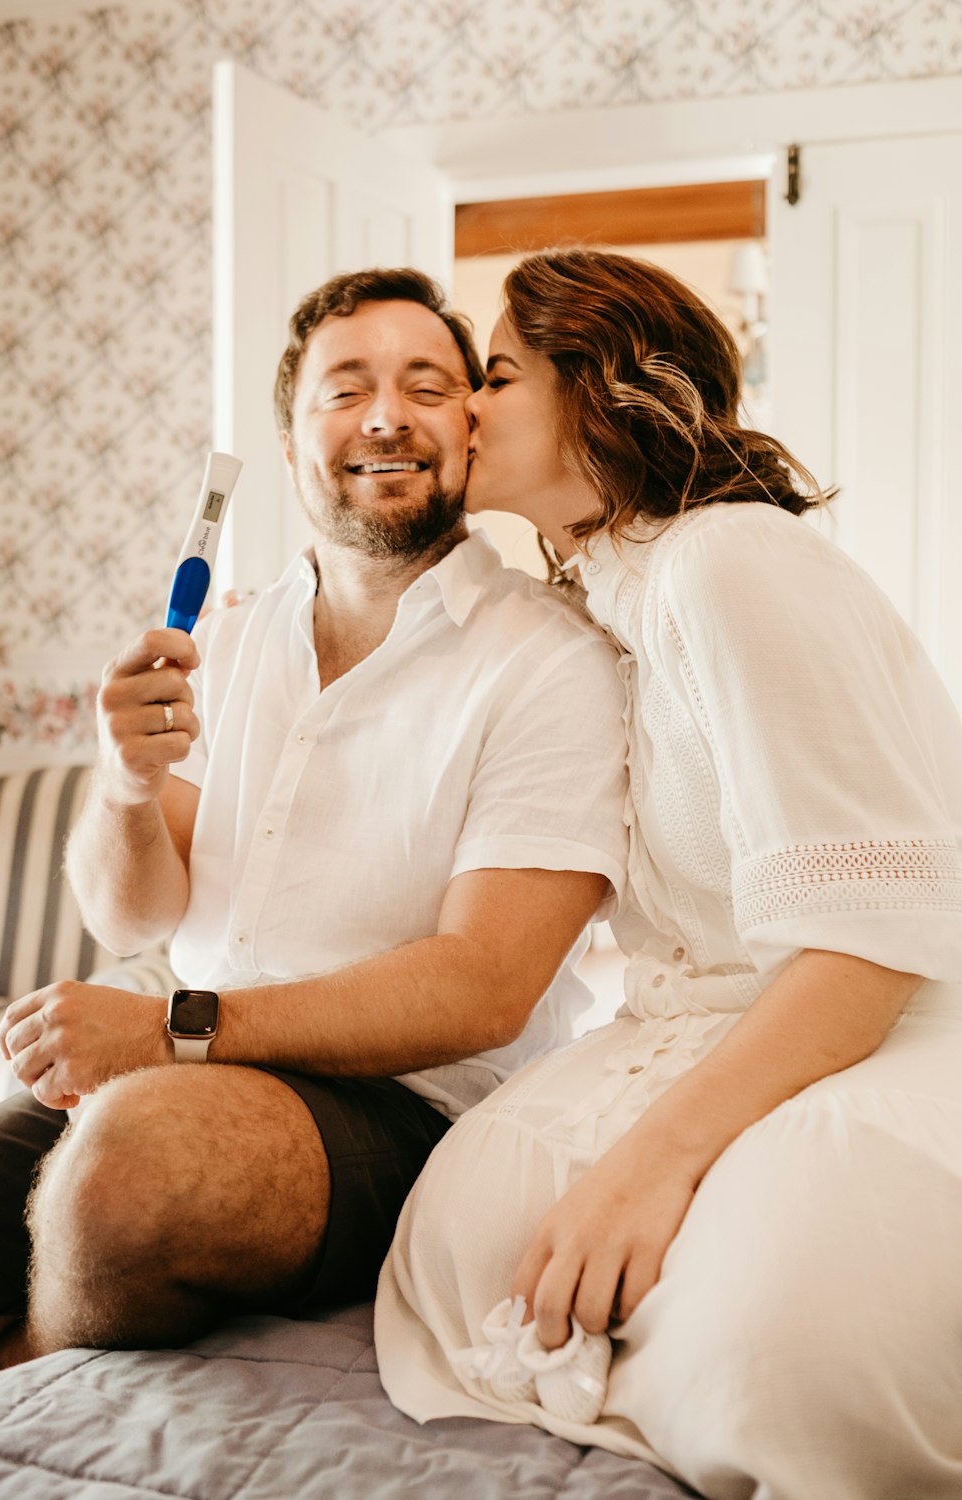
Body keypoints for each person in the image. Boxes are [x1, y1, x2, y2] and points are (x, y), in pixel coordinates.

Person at [0, 267, 632, 1382]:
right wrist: (124, 783)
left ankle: (13, 1404)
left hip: (412, 1114)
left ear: (468, 430)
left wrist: (173, 1028)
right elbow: (127, 908)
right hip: (187, 1060)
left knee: (126, 1168)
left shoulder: (548, 662)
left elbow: (485, 985)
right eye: (346, 389)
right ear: (289, 445)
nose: (386, 415)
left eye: (427, 385)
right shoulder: (224, 644)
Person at [374, 249, 962, 1498]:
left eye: (494, 373)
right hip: (685, 1026)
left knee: (780, 1356)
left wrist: (654, 1159)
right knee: (455, 1240)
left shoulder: (730, 561)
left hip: (874, 1013)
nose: (463, 409)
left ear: (600, 389)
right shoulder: (599, 614)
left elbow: (866, 947)